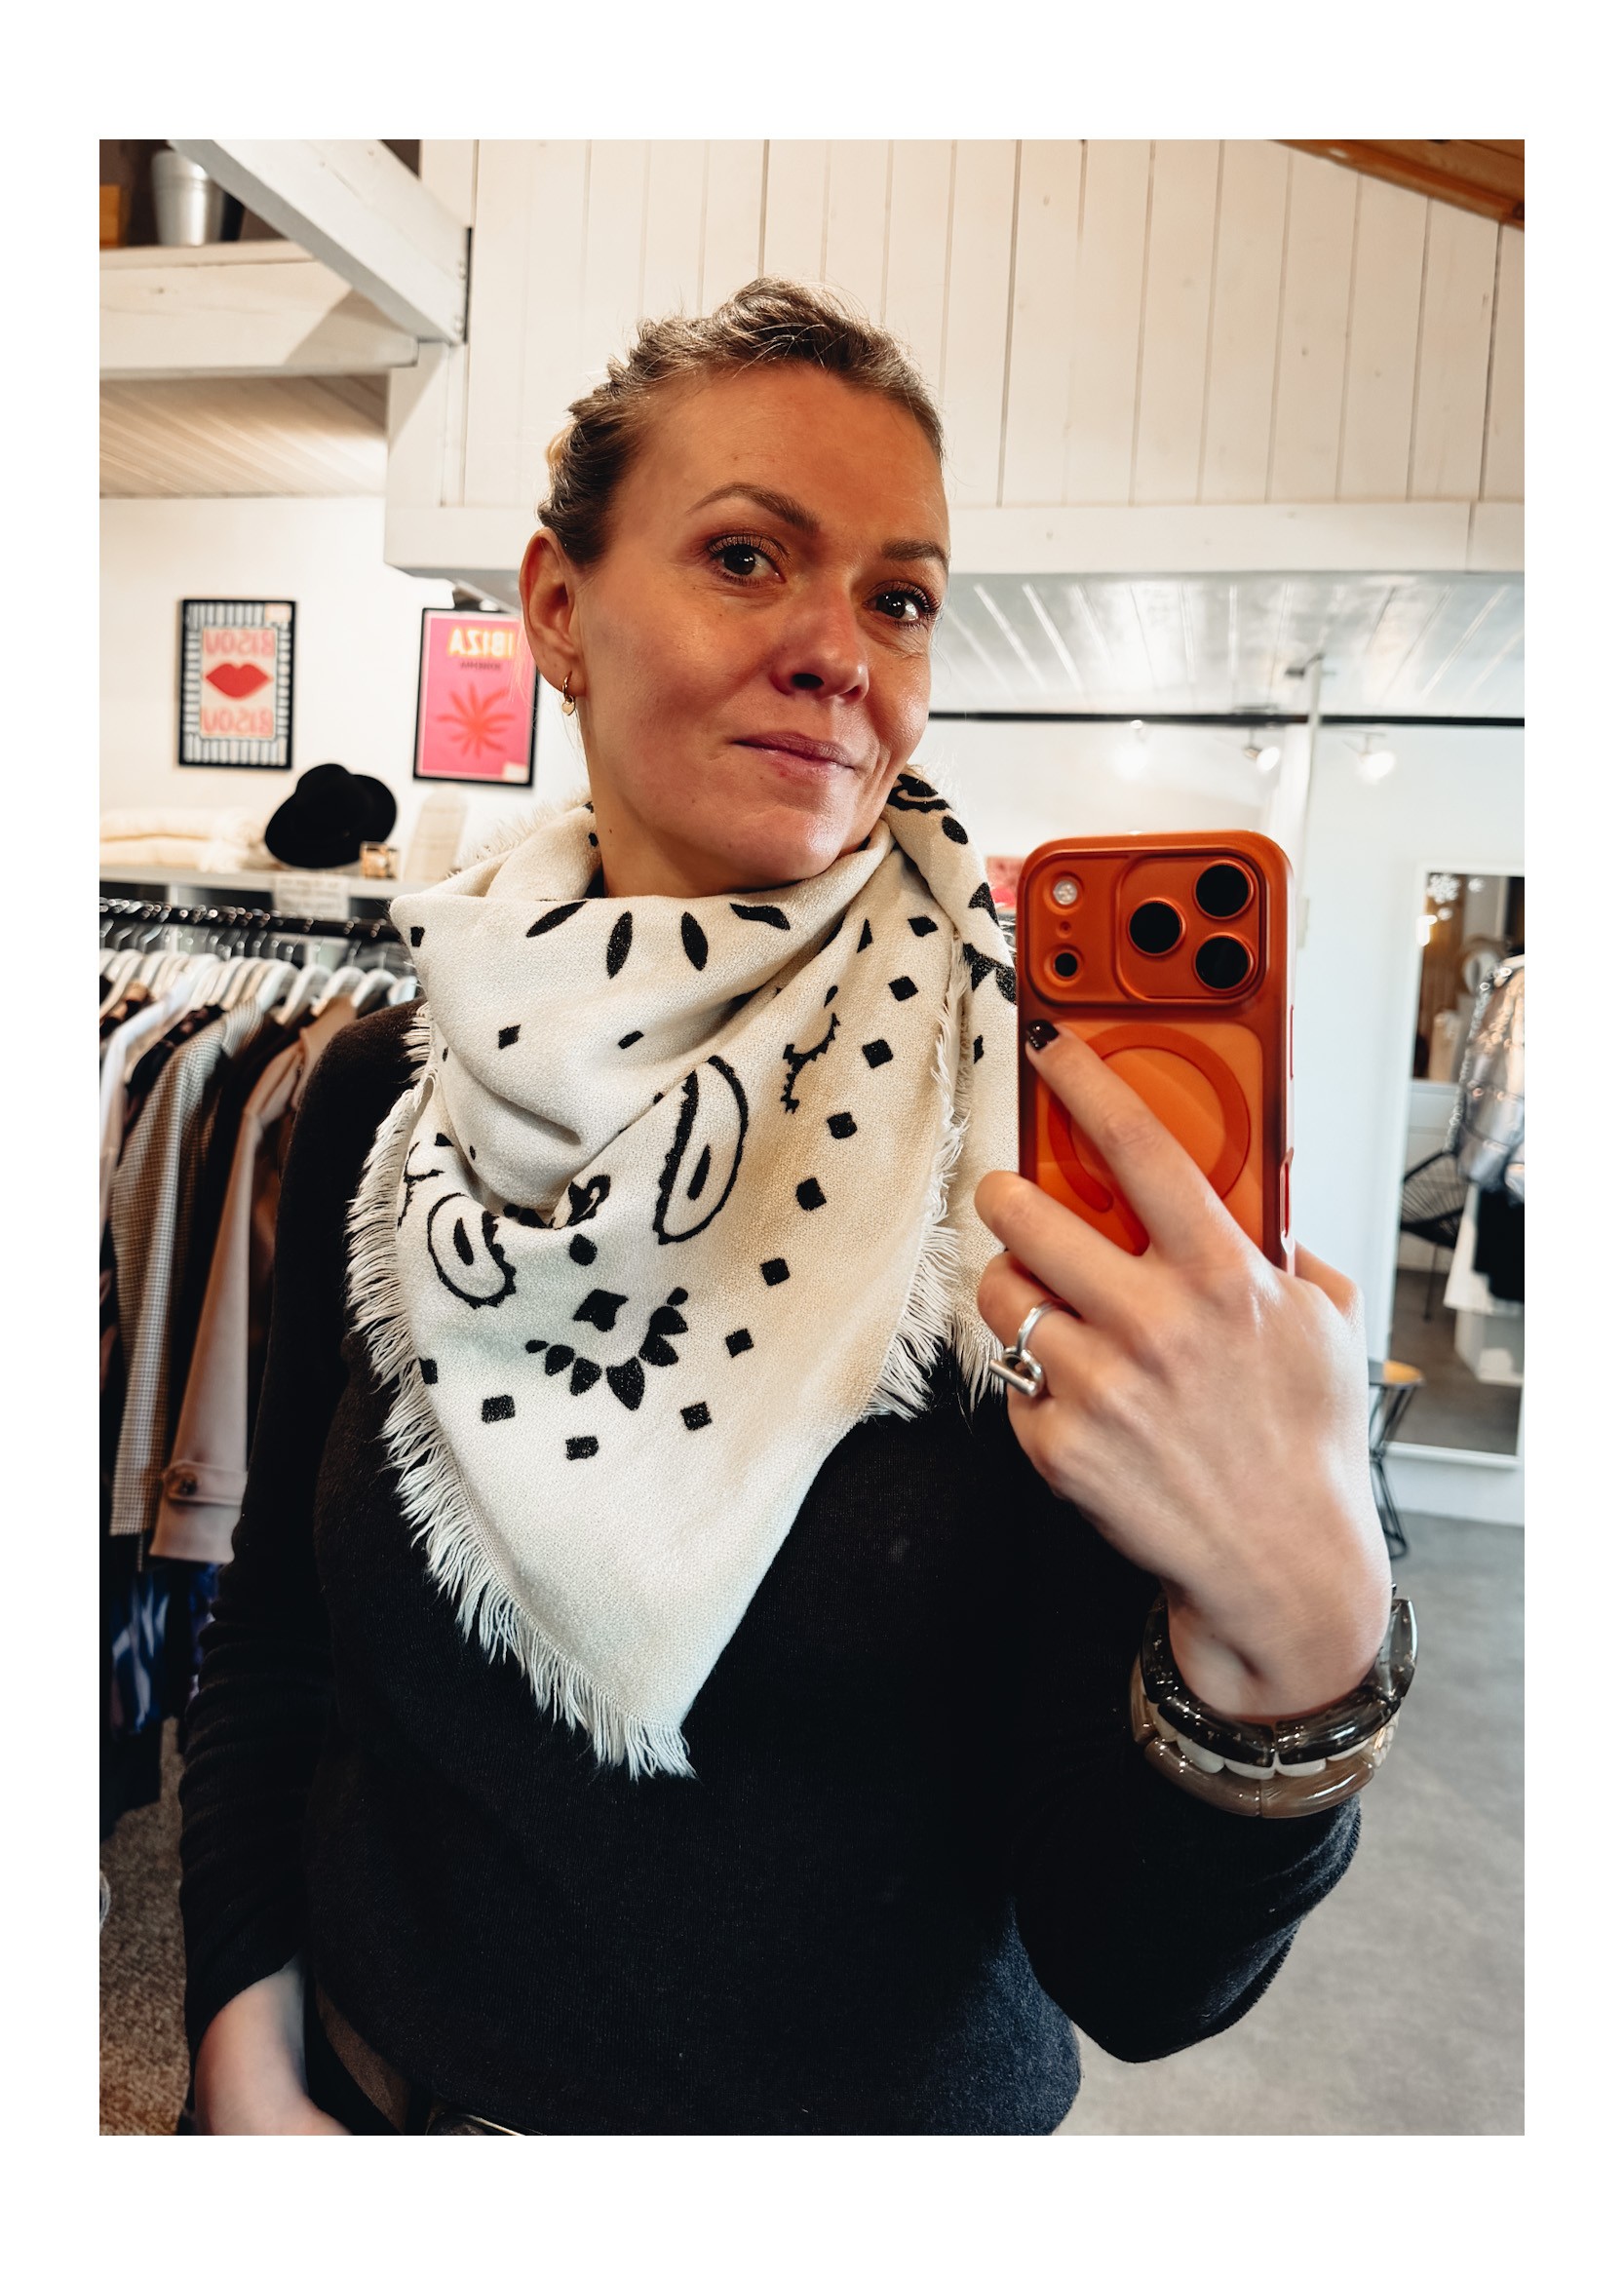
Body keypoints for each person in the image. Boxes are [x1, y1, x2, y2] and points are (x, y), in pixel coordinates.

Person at [180, 280, 1395, 2137]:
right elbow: (279, 1631)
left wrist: (1300, 1631)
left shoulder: (1029, 1164)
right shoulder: (390, 1092)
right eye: (748, 557)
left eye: (900, 597)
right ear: (558, 607)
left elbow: (1140, 1972)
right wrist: (237, 2022)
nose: (842, 650)